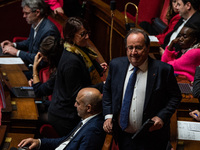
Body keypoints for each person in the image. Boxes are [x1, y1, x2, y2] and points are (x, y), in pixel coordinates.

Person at [103, 28, 182, 150]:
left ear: (148, 48)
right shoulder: (116, 65)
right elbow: (107, 91)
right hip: (123, 136)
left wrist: (161, 116)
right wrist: (108, 116)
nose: (133, 52)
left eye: (138, 48)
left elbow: (175, 96)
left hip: (152, 137)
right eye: (130, 48)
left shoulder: (163, 70)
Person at [48, 17, 107, 137]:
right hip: (66, 117)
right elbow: (78, 94)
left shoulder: (77, 50)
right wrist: (103, 85)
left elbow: (86, 67)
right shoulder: (71, 62)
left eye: (87, 33)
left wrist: (99, 69)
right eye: (82, 34)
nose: (87, 37)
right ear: (71, 37)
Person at [18, 87, 106, 150]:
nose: (75, 105)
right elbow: (65, 141)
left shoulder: (93, 131)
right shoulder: (87, 119)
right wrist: (39, 142)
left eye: (78, 103)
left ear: (88, 108)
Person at [0, 0, 60, 79]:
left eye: (26, 13)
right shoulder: (36, 23)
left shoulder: (49, 31)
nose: (24, 16)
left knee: (7, 74)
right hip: (29, 64)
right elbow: (30, 42)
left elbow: (41, 60)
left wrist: (17, 52)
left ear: (37, 12)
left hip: (38, 71)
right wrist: (14, 45)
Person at [28, 36, 63, 123]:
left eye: (44, 58)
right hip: (55, 104)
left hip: (59, 113)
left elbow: (39, 91)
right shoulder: (60, 63)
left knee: (31, 117)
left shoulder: (59, 71)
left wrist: (35, 68)